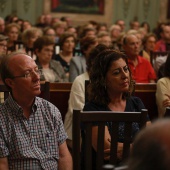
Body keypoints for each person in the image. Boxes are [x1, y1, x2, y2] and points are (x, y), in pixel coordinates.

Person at [0, 51, 72, 169]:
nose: (37, 77)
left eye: (37, 70)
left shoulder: (50, 110)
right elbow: (2, 165)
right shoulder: (2, 117)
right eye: (27, 73)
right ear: (10, 82)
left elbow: (63, 156)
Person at [83, 49, 150, 168]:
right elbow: (107, 150)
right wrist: (139, 149)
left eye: (126, 69)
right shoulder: (92, 108)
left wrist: (126, 149)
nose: (125, 76)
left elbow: (152, 141)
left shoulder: (136, 103)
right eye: (116, 72)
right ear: (103, 79)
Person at [64, 44, 108, 149]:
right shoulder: (80, 80)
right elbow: (78, 112)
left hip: (106, 129)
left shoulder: (109, 81)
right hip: (78, 132)